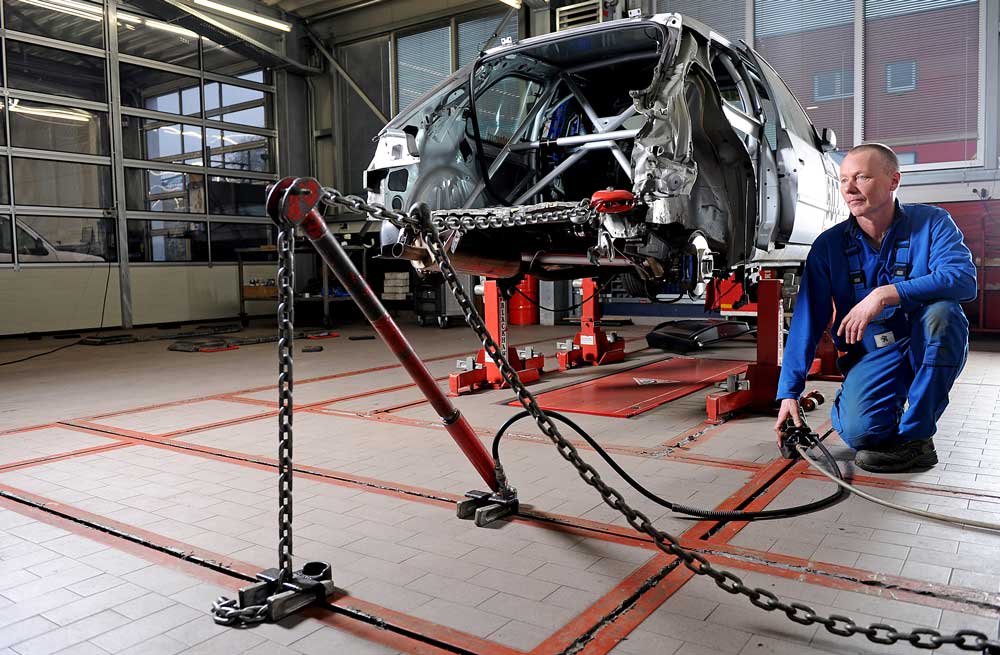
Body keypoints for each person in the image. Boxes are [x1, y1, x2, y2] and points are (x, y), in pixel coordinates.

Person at [774, 143, 977, 473]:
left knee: (944, 315)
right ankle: (880, 407)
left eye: (862, 177)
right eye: (843, 180)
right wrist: (789, 393)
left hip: (924, 341)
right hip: (873, 353)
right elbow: (807, 322)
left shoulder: (933, 223)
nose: (849, 189)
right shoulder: (829, 246)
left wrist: (885, 294)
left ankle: (917, 438)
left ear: (893, 180)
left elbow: (963, 280)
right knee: (861, 433)